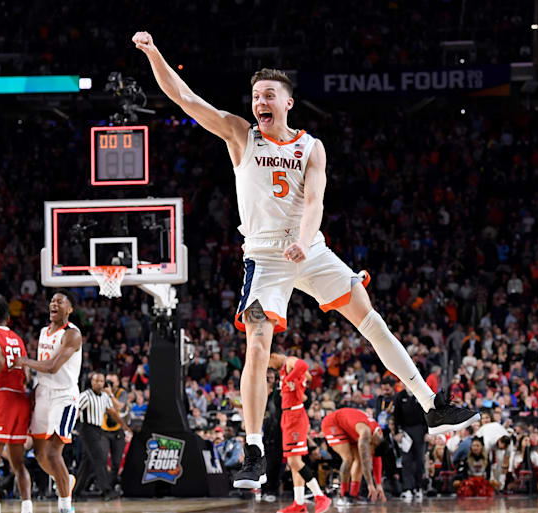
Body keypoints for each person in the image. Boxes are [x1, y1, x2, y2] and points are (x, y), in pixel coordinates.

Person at [132, 30, 479, 490]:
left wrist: (305, 238)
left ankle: (432, 404)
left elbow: (314, 200)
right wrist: (155, 52)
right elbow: (183, 96)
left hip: (310, 248)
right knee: (258, 342)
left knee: (370, 318)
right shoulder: (240, 136)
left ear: (287, 102)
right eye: (256, 95)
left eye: (269, 95)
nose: (260, 101)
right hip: (265, 254)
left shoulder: (310, 146)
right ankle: (254, 449)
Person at [16, 291, 82, 513]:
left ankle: (65, 507)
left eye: (60, 301)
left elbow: (53, 366)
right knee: (40, 454)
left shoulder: (72, 334)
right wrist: (34, 390)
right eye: (52, 301)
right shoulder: (44, 332)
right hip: (44, 393)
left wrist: (24, 361)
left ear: (69, 309)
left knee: (54, 453)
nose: (54, 304)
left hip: (64, 396)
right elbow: (44, 369)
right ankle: (65, 480)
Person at [0, 298, 33, 513]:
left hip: (1, 397)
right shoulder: (17, 338)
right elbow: (27, 372)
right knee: (18, 463)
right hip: (21, 398)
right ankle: (27, 507)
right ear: (8, 319)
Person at [268, 353, 330, 513]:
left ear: (273, 356)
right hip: (288, 416)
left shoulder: (289, 362)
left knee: (295, 462)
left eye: (270, 364)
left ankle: (320, 496)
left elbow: (303, 365)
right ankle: (299, 503)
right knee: (293, 462)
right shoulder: (284, 369)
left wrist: (290, 380)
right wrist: (298, 385)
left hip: (295, 417)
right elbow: (307, 377)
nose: (271, 368)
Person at [321, 408, 387, 504]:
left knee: (359, 460)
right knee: (348, 458)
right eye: (371, 450)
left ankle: (353, 495)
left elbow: (376, 458)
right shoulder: (365, 433)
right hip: (333, 423)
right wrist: (370, 485)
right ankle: (344, 495)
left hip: (348, 428)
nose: (370, 453)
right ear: (374, 444)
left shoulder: (378, 436)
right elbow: (366, 461)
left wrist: (378, 484)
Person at [77, 372, 126, 498]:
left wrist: (124, 426)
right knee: (100, 458)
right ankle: (107, 491)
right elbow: (76, 409)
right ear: (92, 382)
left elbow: (113, 413)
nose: (98, 383)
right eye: (96, 381)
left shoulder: (105, 396)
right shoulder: (85, 395)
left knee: (87, 462)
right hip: (87, 428)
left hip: (98, 429)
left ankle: (75, 491)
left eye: (101, 381)